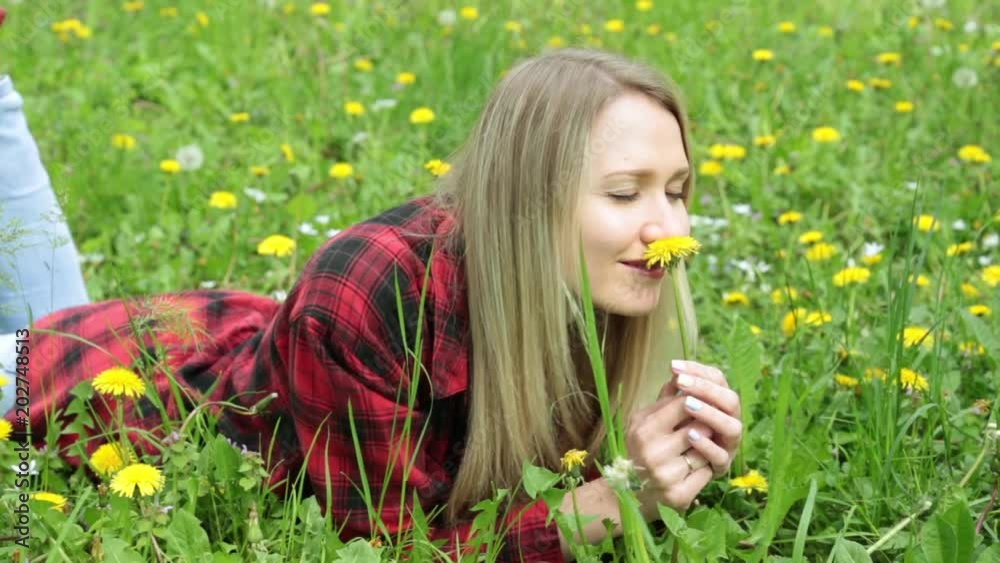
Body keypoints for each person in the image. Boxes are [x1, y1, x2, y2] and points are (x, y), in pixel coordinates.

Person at [1, 48, 743, 562]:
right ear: (529, 200)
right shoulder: (369, 297)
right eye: (624, 192)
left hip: (234, 335)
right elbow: (388, 550)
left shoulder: (594, 276)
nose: (667, 229)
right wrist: (613, 502)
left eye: (676, 190)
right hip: (76, 385)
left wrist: (679, 455)